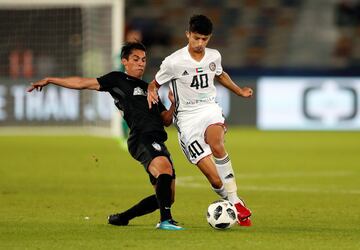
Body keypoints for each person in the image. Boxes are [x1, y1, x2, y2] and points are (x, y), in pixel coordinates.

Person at [27, 42, 184, 231]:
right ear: (124, 61)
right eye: (135, 59)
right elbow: (82, 83)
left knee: (168, 196)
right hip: (141, 137)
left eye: (143, 60)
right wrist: (51, 79)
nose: (141, 64)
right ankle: (165, 221)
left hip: (157, 139)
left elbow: (165, 120)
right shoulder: (117, 79)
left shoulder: (149, 87)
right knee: (165, 171)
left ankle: (123, 218)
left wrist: (174, 105)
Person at [147, 14, 253, 226]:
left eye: (204, 39)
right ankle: (232, 201)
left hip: (209, 109)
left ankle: (235, 201)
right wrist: (151, 92)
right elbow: (154, 84)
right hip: (186, 121)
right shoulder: (173, 62)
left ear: (209, 38)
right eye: (196, 38)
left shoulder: (214, 56)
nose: (199, 43)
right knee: (215, 179)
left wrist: (239, 91)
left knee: (216, 143)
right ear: (188, 34)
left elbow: (220, 75)